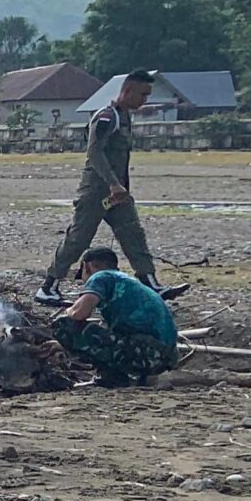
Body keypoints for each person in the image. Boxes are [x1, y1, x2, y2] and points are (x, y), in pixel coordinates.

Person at [37, 70, 187, 304]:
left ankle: (151, 284)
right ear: (127, 91)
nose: (144, 100)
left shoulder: (124, 116)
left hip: (118, 195)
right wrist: (113, 183)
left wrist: (120, 188)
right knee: (78, 239)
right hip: (97, 192)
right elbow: (94, 152)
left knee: (133, 235)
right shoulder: (107, 117)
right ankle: (48, 287)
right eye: (142, 94)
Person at [53, 244, 181, 387]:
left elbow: (79, 314)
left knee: (63, 325)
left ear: (87, 266)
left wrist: (68, 311)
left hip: (149, 354)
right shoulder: (127, 281)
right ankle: (115, 377)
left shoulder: (101, 277)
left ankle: (113, 377)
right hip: (164, 356)